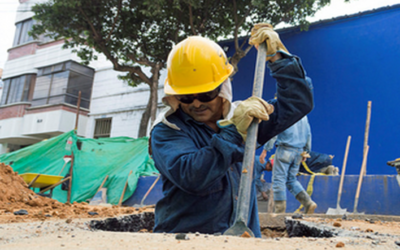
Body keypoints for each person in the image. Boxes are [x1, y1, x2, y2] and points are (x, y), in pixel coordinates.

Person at [150, 23, 314, 237]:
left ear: (223, 87)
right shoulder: (167, 130)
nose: (197, 103)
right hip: (183, 241)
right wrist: (235, 130)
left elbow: (297, 103)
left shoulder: (245, 119)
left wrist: (279, 60)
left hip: (243, 240)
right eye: (187, 97)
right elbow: (192, 175)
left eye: (206, 94)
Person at [259, 115, 317, 214]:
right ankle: (308, 203)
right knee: (291, 180)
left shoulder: (286, 112)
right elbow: (308, 133)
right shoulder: (303, 115)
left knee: (279, 180)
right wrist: (306, 151)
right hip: (299, 151)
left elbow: (275, 132)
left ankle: (279, 212)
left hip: (285, 150)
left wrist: (265, 150)